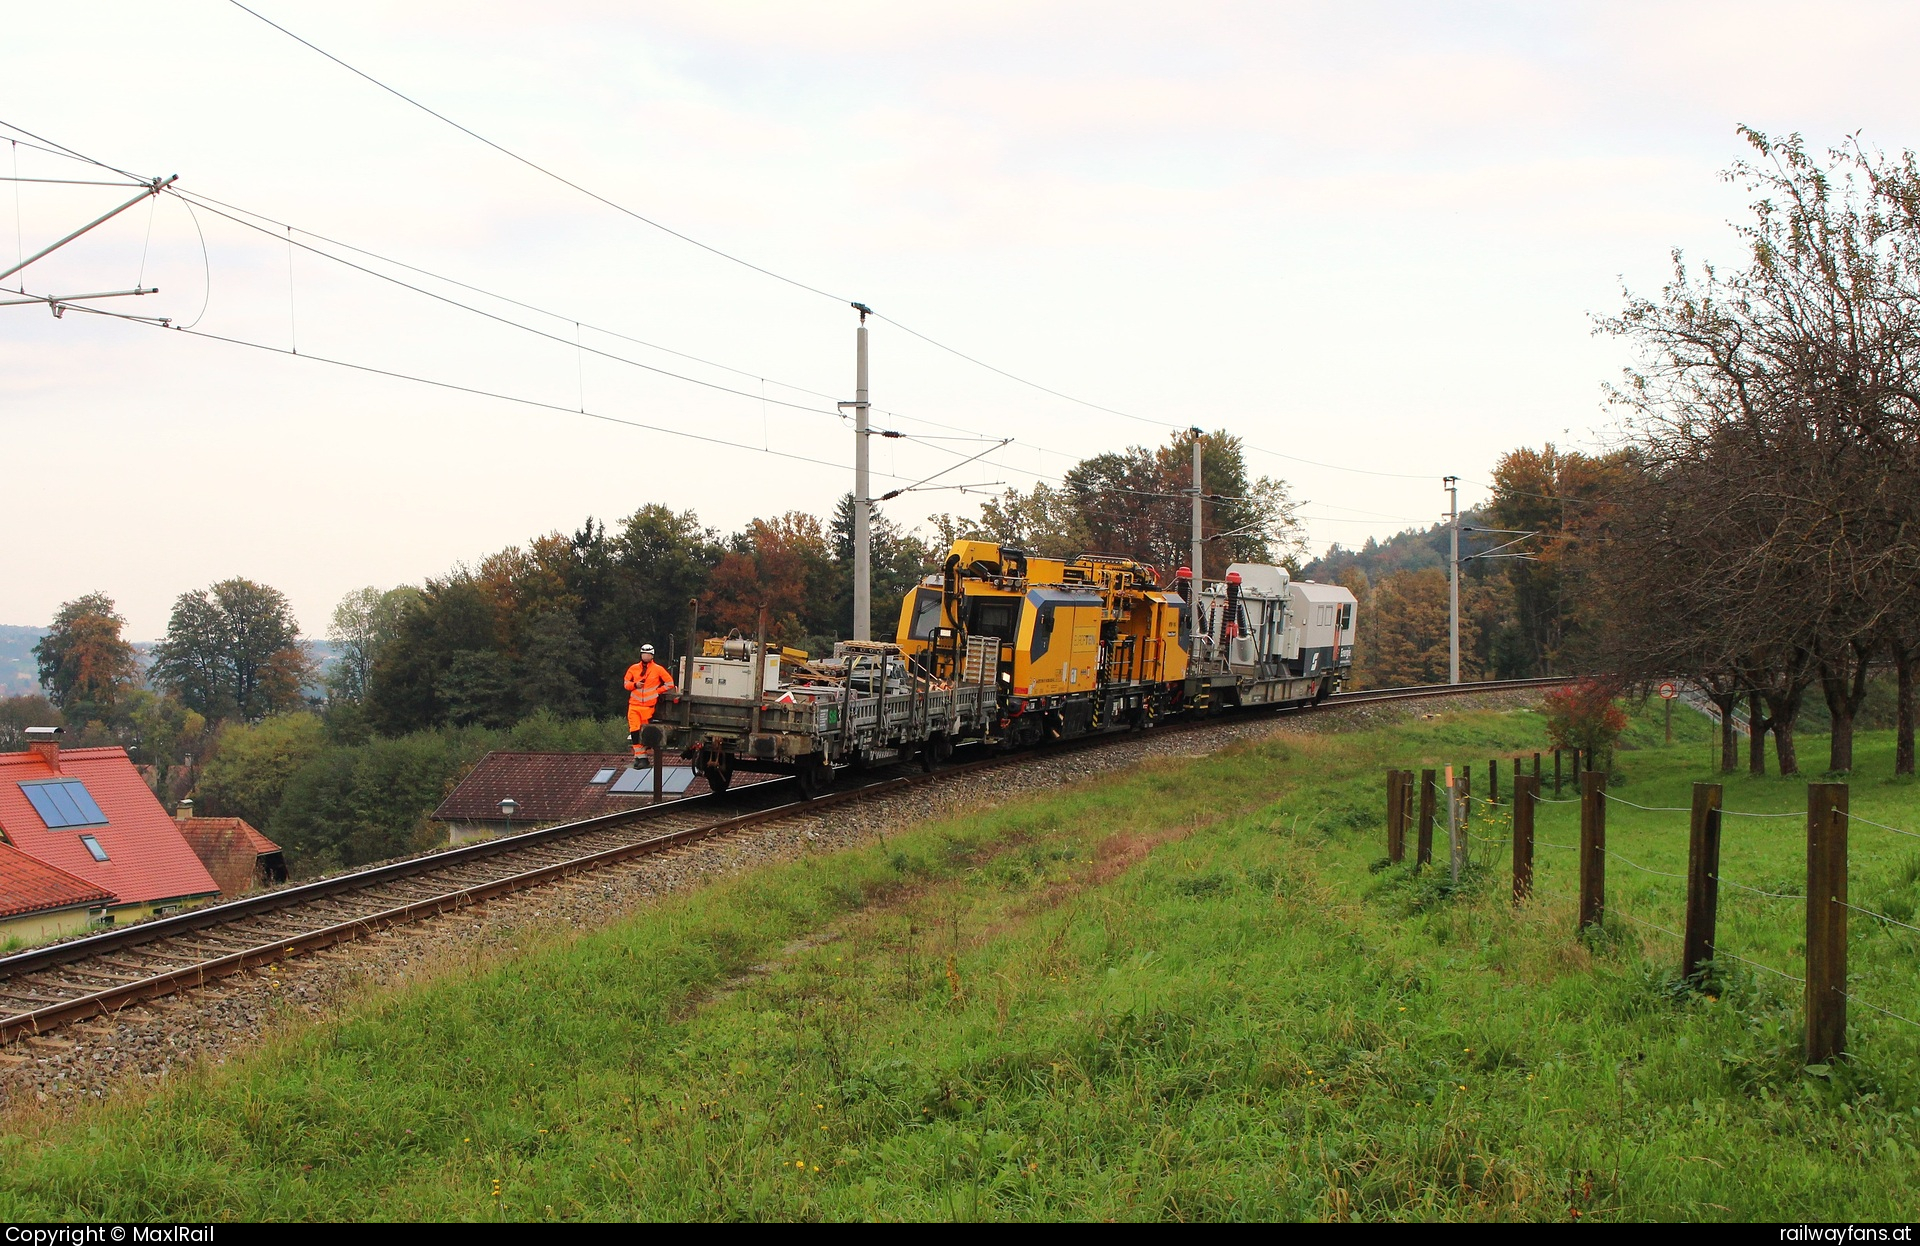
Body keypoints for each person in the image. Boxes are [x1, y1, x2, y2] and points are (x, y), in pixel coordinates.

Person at [624, 644, 677, 768]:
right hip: (634, 705)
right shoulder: (633, 668)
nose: (645, 656)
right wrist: (635, 685)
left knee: (643, 733)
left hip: (648, 707)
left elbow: (670, 683)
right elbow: (626, 683)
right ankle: (639, 757)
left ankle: (642, 758)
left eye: (648, 654)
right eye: (644, 654)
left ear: (652, 655)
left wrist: (657, 691)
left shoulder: (658, 669)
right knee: (634, 731)